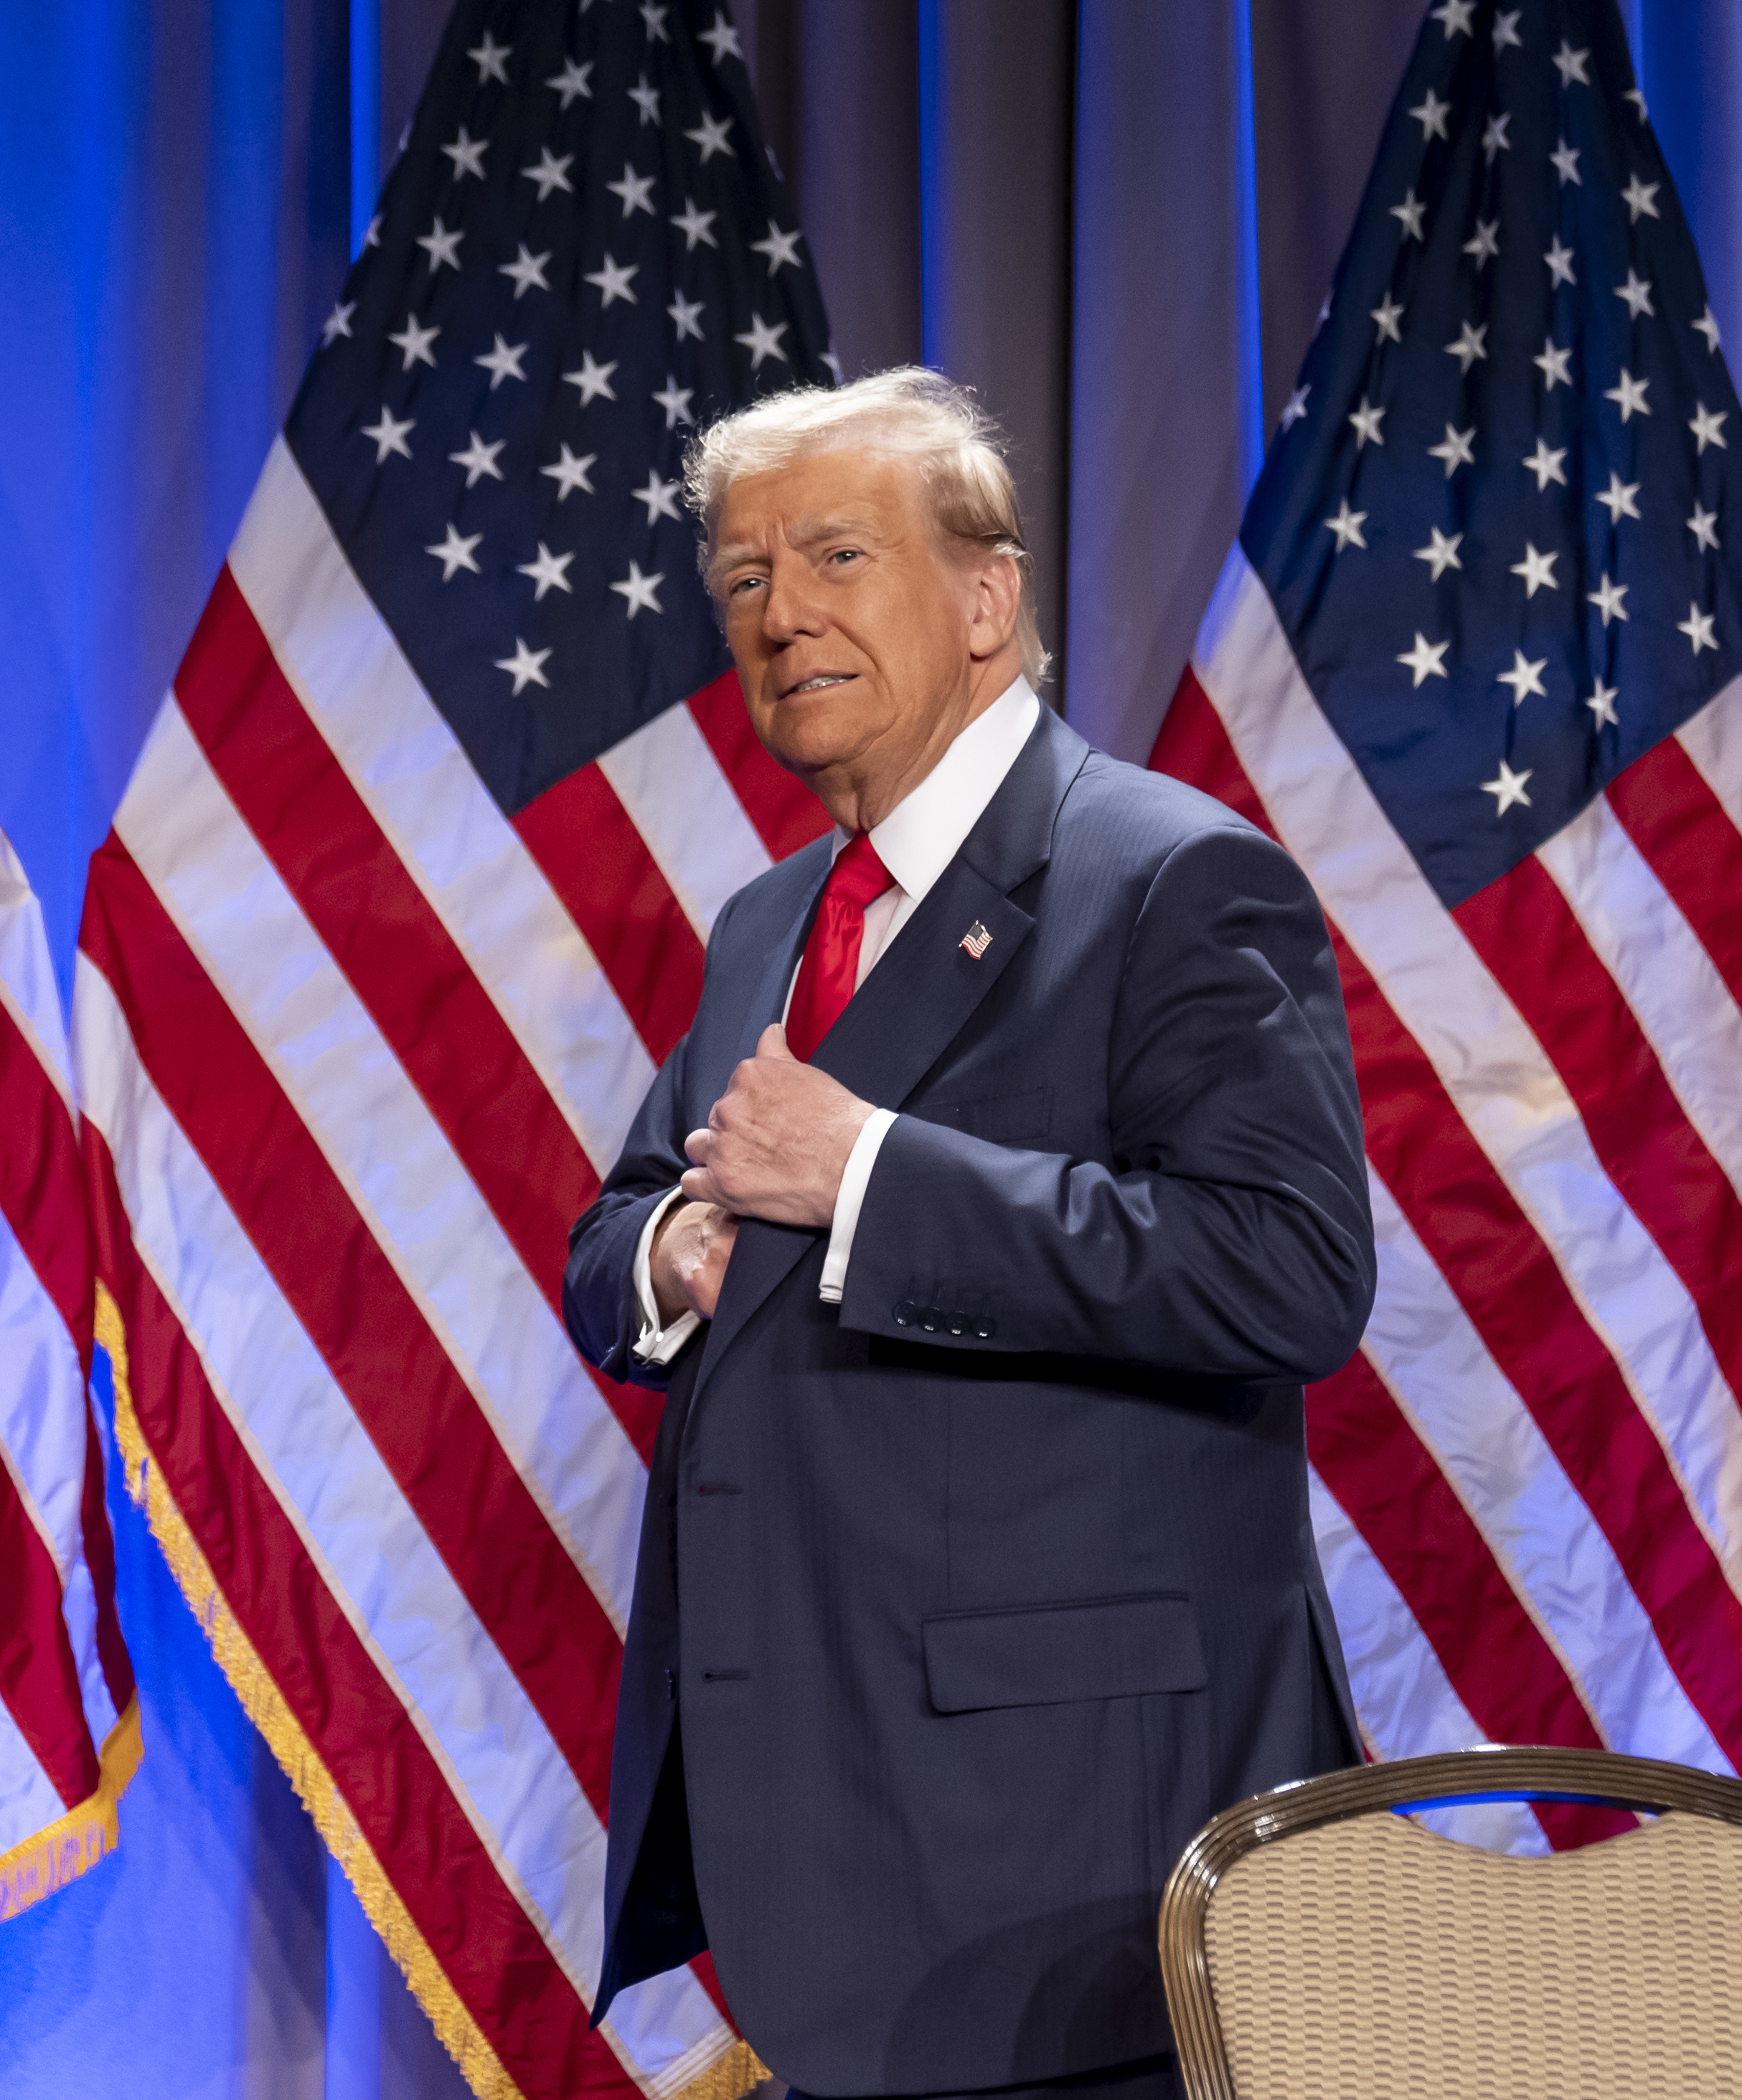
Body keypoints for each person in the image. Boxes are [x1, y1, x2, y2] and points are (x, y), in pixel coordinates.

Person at [562, 367, 1372, 2100]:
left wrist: (868, 1179)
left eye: (834, 558)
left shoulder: (1170, 878)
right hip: (825, 1836)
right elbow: (628, 1220)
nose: (779, 618)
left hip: (1064, 1869)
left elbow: (1288, 1268)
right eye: (742, 580)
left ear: (986, 599)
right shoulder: (771, 921)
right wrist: (671, 1261)